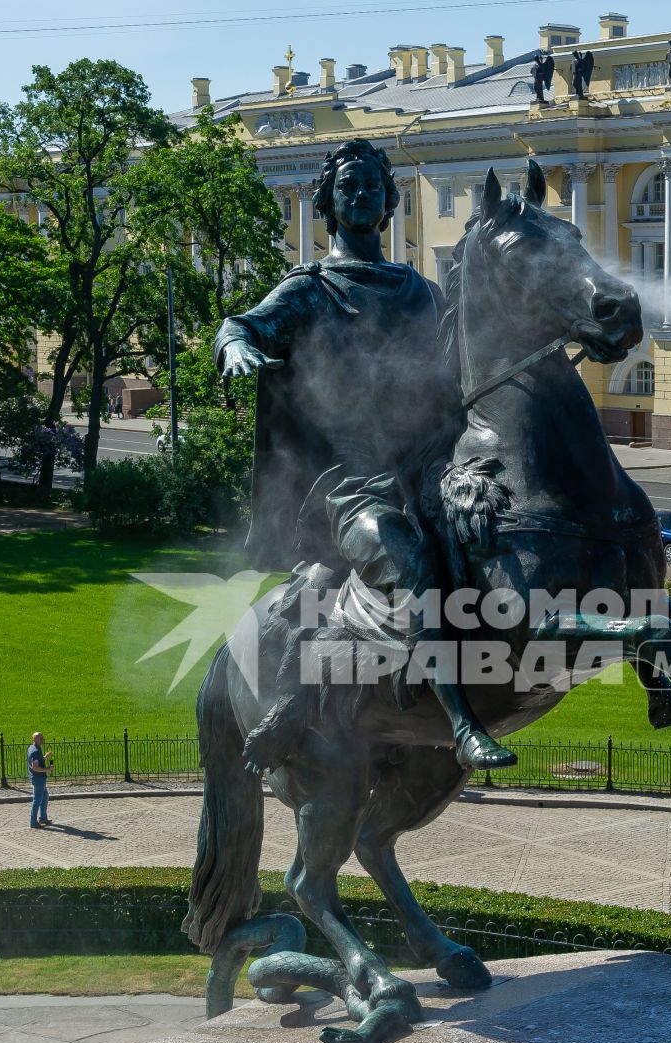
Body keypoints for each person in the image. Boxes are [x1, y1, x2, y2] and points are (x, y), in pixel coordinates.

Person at [214, 138, 514, 771]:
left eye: (373, 186)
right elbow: (241, 324)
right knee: (410, 559)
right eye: (348, 186)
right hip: (354, 486)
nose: (362, 194)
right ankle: (462, 721)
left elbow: (471, 358)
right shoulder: (311, 289)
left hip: (432, 468)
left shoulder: (423, 291)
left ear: (387, 206)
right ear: (328, 203)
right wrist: (237, 348)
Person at [27, 731, 51, 828]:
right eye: (41, 738)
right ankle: (33, 822)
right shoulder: (36, 751)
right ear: (35, 739)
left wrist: (45, 756)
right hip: (38, 779)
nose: (43, 740)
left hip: (37, 778)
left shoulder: (32, 747)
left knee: (45, 796)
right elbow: (35, 767)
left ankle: (43, 818)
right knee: (37, 800)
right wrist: (48, 769)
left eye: (43, 738)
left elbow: (36, 762)